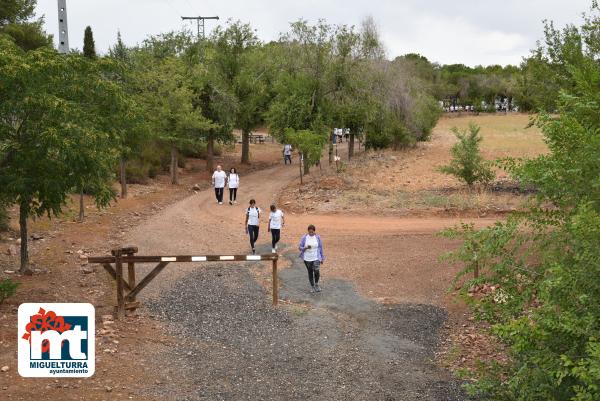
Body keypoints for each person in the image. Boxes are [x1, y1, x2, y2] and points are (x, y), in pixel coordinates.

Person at [298, 224, 325, 293]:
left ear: (314, 231)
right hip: (307, 258)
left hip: (316, 257)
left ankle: (316, 284)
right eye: (309, 232)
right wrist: (305, 247)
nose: (311, 233)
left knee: (316, 271)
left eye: (312, 232)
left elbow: (321, 247)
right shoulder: (304, 237)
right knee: (310, 272)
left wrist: (322, 258)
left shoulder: (317, 237)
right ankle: (312, 286)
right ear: (308, 231)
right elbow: (300, 247)